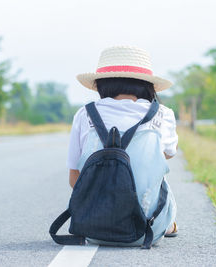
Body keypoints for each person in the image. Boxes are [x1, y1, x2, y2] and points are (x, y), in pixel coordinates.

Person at [67, 46, 178, 246]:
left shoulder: (85, 114)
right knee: (159, 174)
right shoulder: (163, 114)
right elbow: (168, 154)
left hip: (93, 228)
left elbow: (74, 179)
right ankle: (167, 224)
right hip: (146, 231)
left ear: (101, 84)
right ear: (147, 85)